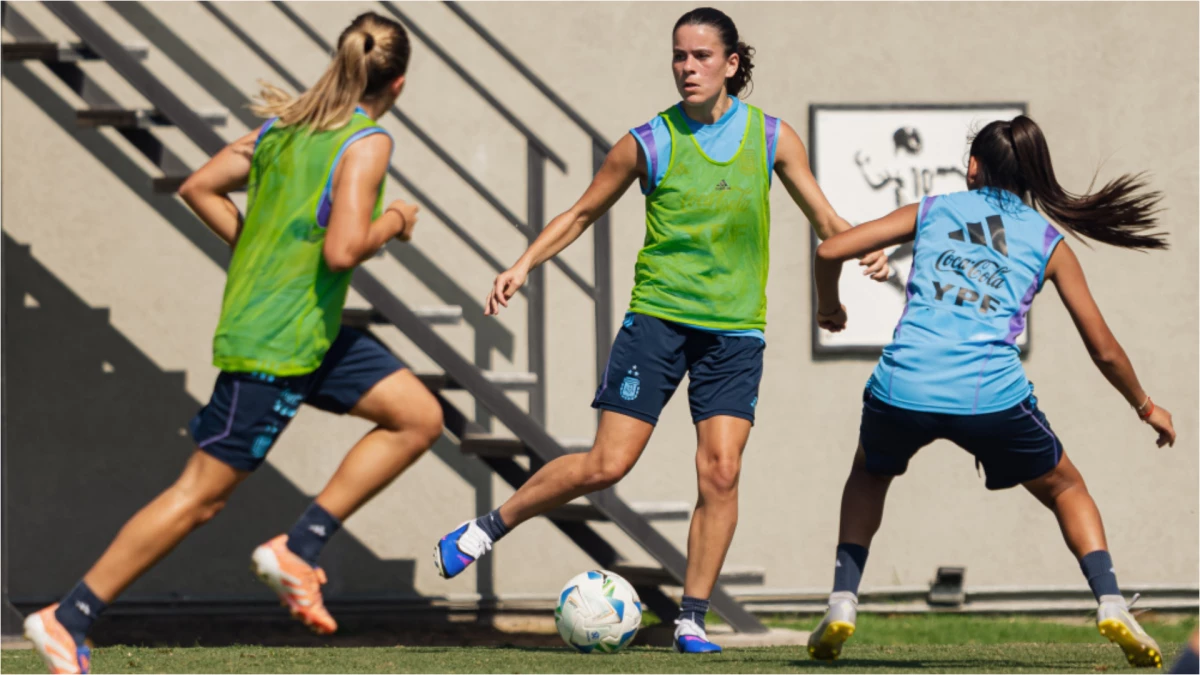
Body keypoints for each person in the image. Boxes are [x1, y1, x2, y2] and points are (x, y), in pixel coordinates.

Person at [431, 6, 889, 654]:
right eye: (679, 55)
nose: (687, 67)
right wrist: (522, 264)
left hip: (735, 333)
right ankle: (487, 527)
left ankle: (691, 619)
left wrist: (864, 245)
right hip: (658, 322)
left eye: (701, 56)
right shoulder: (648, 141)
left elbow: (825, 216)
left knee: (721, 472)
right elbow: (581, 213)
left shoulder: (772, 137)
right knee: (606, 464)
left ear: (731, 63)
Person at [23, 12, 443, 674]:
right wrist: (395, 219)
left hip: (312, 332)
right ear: (399, 83)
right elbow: (343, 250)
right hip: (276, 344)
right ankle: (67, 616)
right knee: (199, 496)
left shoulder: (282, 129)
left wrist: (257, 247)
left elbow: (199, 185)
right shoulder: (367, 142)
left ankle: (300, 546)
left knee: (417, 416)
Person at [805, 114, 1174, 669]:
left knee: (870, 474)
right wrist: (1145, 406)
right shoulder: (1049, 242)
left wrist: (829, 307)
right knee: (1066, 487)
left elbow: (829, 251)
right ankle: (1112, 602)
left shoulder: (934, 210)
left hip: (904, 385)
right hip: (990, 397)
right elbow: (1103, 349)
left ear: (973, 166)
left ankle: (842, 600)